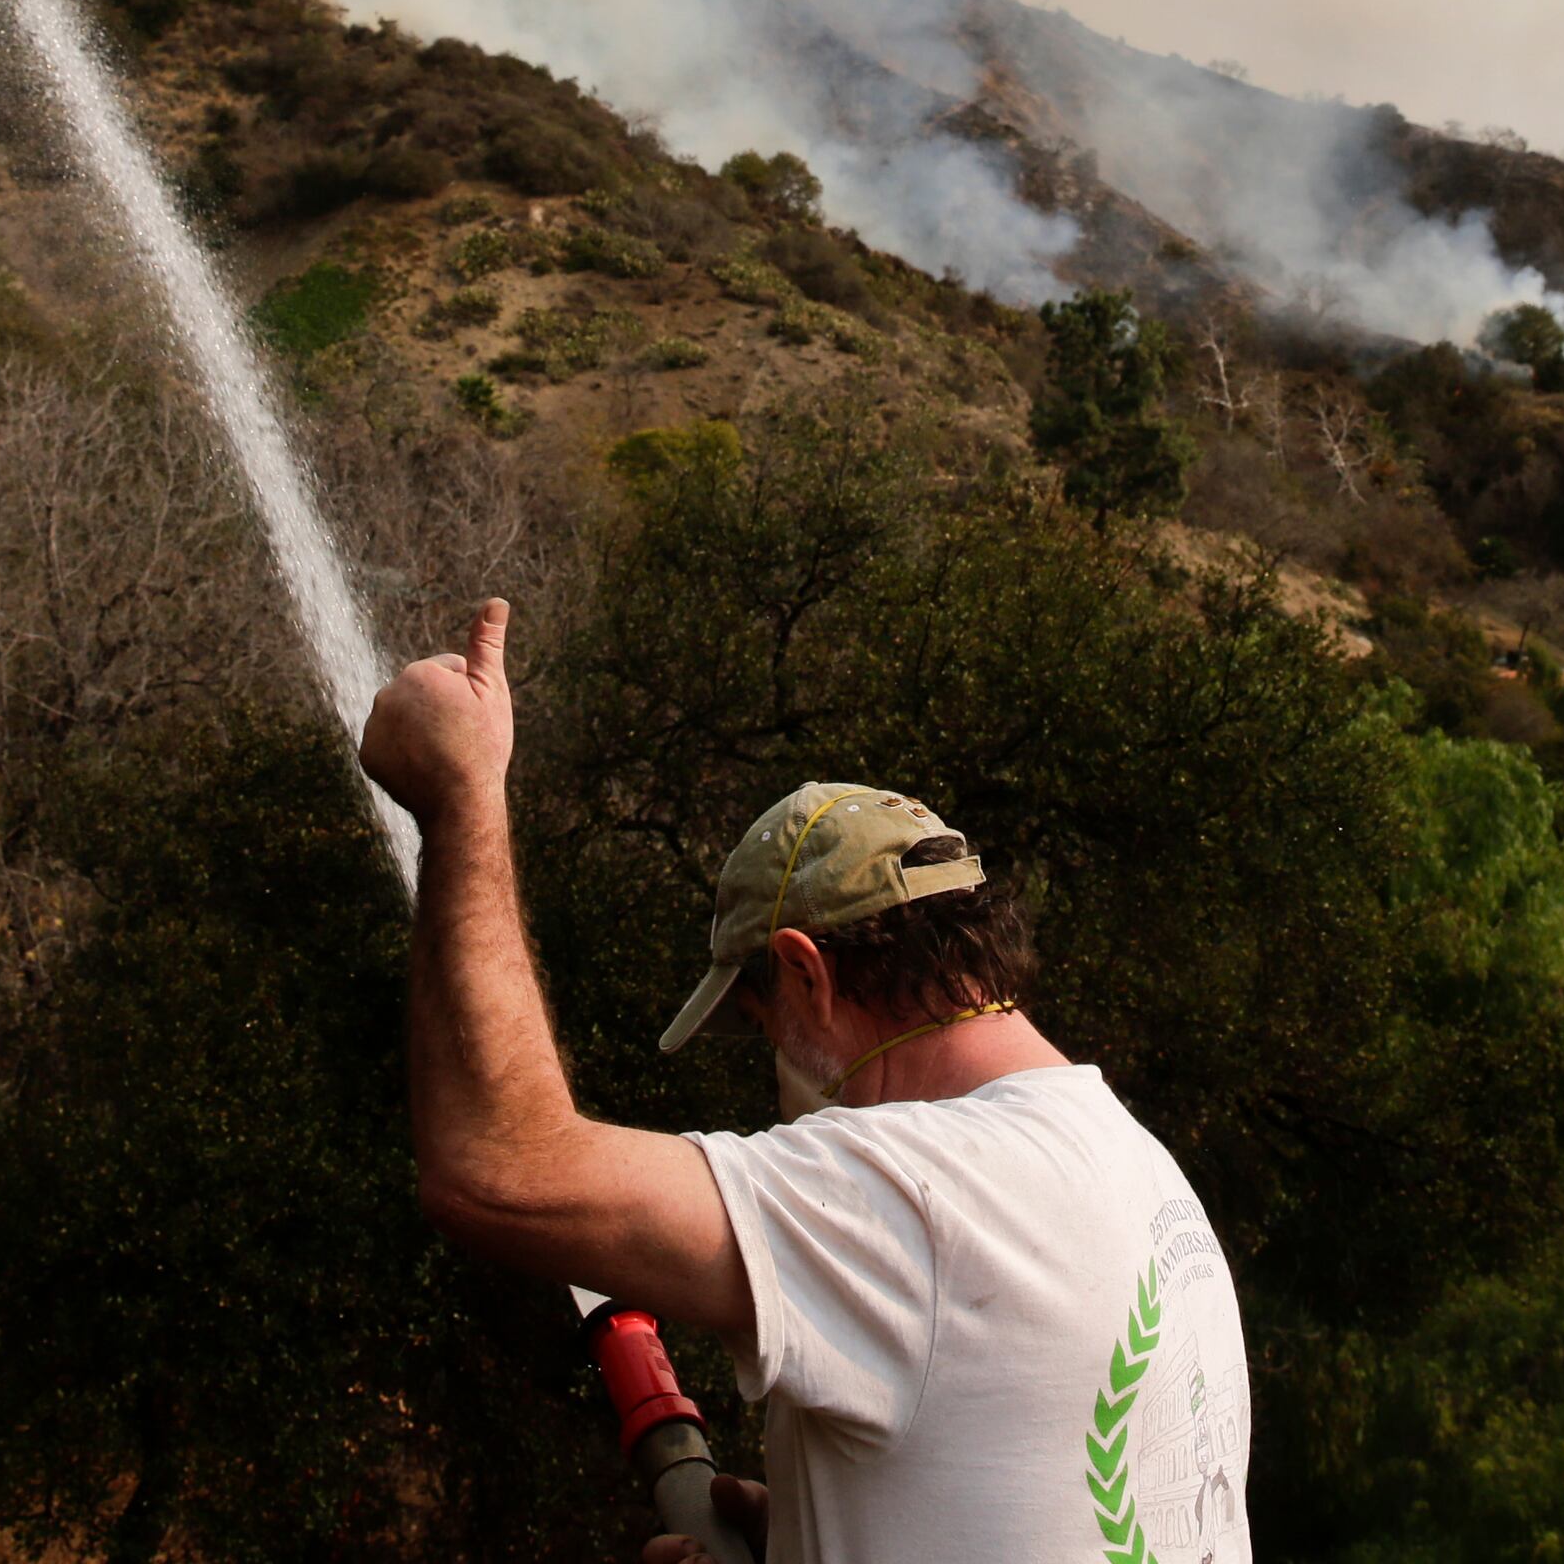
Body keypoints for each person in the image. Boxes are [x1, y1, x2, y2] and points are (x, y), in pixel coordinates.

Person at [361, 598, 1254, 1564]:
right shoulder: (1133, 1168)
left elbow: (497, 1166)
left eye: (763, 1025)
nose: (773, 1065)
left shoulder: (924, 1191)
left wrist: (464, 797)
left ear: (805, 973)